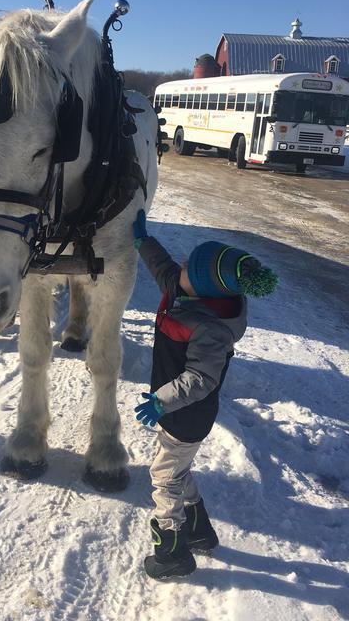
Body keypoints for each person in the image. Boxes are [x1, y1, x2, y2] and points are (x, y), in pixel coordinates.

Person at [132, 210, 278, 580]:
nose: (180, 265)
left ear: (200, 287)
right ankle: (199, 530)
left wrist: (161, 400)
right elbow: (164, 268)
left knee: (164, 476)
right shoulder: (188, 292)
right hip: (176, 411)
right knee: (177, 468)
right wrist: (142, 241)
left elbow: (200, 378)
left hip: (187, 414)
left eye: (189, 267)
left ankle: (171, 554)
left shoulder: (209, 330)